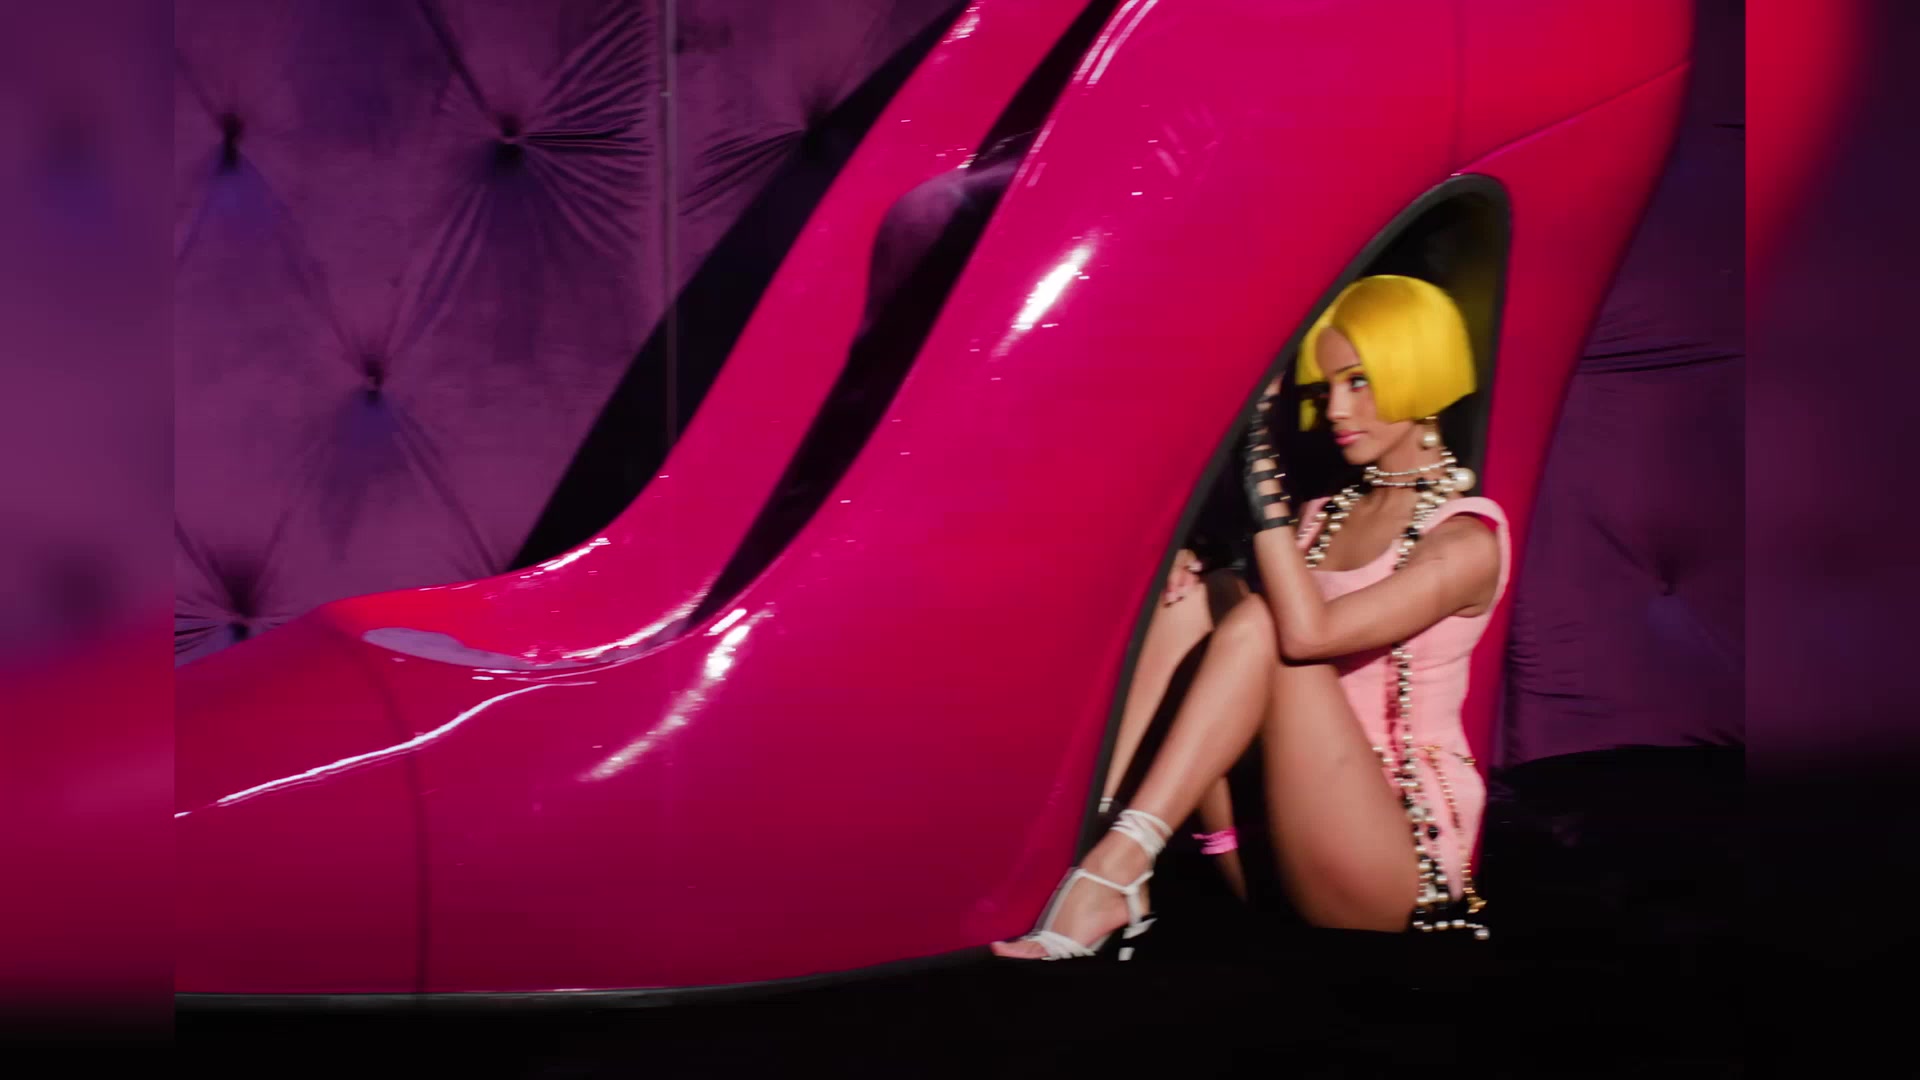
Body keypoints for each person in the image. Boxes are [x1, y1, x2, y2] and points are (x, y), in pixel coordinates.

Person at [996, 274, 1508, 960]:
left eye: (1359, 382)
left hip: (1390, 865)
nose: (1335, 409)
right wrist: (1203, 573)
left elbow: (1306, 635)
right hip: (1268, 840)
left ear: (1420, 372)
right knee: (1202, 594)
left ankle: (1115, 869)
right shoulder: (1323, 516)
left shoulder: (1467, 541)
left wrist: (1258, 458)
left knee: (1268, 620)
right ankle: (1085, 838)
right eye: (1325, 390)